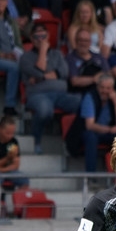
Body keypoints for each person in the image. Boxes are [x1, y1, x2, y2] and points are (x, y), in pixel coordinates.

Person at [21, 23, 81, 153]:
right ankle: (36, 140)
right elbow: (38, 70)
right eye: (37, 36)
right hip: (37, 95)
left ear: (48, 36)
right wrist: (42, 51)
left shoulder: (57, 54)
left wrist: (42, 77)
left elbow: (65, 72)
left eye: (43, 36)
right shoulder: (25, 57)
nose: (40, 39)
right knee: (44, 111)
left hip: (60, 94)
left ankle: (71, 142)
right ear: (31, 39)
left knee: (82, 104)